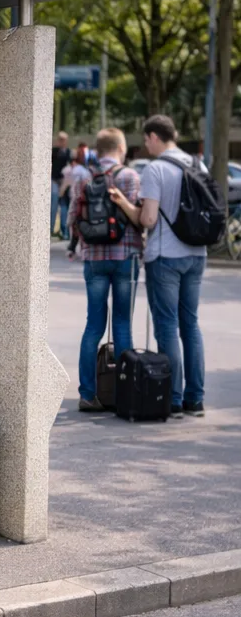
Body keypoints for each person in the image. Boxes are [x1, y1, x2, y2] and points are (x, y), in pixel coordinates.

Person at [109, 115, 207, 418]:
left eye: (146, 139)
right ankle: (196, 399)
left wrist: (124, 204)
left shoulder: (156, 169)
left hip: (165, 256)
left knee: (167, 325)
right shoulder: (197, 164)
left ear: (153, 137)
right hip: (197, 253)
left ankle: (173, 399)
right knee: (190, 324)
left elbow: (148, 219)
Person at [67, 128, 142, 411]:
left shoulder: (84, 178)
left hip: (95, 259)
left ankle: (88, 394)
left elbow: (72, 219)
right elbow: (139, 218)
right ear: (121, 148)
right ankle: (125, 395)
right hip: (125, 257)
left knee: (93, 326)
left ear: (97, 151)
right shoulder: (130, 177)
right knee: (122, 323)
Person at [51, 132, 72, 238]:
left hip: (63, 181)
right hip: (54, 180)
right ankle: (50, 229)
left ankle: (64, 231)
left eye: (64, 140)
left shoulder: (68, 152)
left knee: (64, 206)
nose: (63, 142)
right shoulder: (54, 151)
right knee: (53, 205)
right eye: (61, 140)